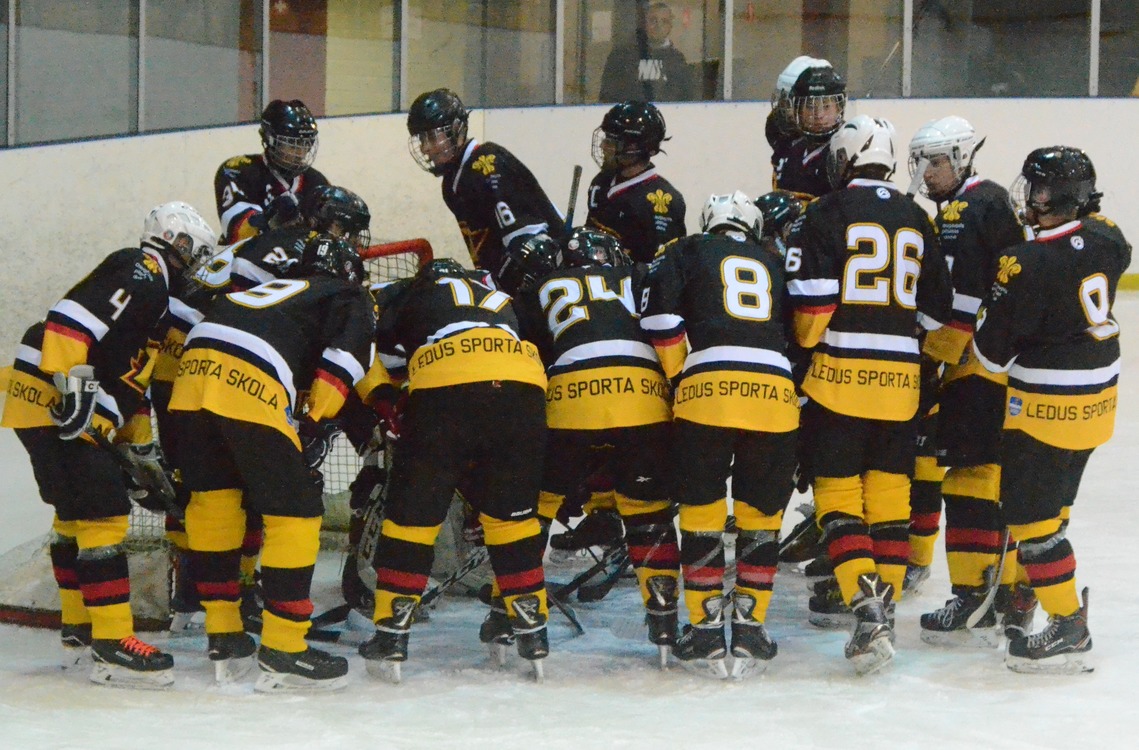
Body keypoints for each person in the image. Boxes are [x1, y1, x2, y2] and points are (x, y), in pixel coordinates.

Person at [0, 201, 220, 688]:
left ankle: (78, 632)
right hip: (55, 397)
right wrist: (72, 384)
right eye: (198, 254)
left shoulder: (154, 308)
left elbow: (128, 391)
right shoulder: (143, 271)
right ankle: (113, 642)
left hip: (42, 401)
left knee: (74, 515)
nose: (197, 268)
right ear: (179, 243)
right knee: (104, 513)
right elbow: (69, 318)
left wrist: (140, 457)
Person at [168, 234, 377, 691]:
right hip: (250, 371)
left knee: (214, 502)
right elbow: (344, 361)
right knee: (296, 510)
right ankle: (285, 647)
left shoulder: (272, 290)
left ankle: (224, 634)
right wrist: (311, 424)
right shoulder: (349, 294)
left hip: (192, 368)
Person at [784, 116, 952, 674]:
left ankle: (864, 605)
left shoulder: (825, 211)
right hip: (902, 385)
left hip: (839, 381)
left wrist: (803, 351)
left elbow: (812, 308)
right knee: (889, 500)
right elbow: (938, 311)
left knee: (838, 499)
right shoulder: (917, 215)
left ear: (845, 158)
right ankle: (887, 609)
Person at [972, 146, 1129, 674]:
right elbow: (1103, 248)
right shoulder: (1110, 238)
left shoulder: (1026, 261)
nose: (1030, 196)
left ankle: (1067, 625)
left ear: (1059, 197)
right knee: (1055, 504)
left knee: (1029, 516)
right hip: (1100, 399)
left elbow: (990, 355)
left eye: (1038, 189)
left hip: (1046, 403)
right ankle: (1026, 594)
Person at [357, 259, 550, 683]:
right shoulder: (498, 296)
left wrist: (384, 399)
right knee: (513, 521)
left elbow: (361, 346)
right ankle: (531, 631)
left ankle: (391, 634)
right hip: (524, 386)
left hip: (445, 383)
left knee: (412, 520)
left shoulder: (405, 292)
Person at [641, 192, 800, 679]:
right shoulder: (774, 260)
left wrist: (679, 375)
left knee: (702, 510)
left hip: (708, 386)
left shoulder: (686, 249)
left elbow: (660, 320)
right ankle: (750, 628)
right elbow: (802, 330)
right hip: (775, 391)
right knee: (762, 514)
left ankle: (706, 628)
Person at [511, 229, 679, 665]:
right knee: (648, 511)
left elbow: (528, 355)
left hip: (570, 399)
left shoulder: (542, 286)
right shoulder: (639, 274)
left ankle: (513, 616)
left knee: (537, 507)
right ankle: (664, 621)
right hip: (642, 396)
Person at [903, 117, 1031, 643]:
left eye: (936, 161)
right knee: (988, 477)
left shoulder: (968, 207)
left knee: (971, 477)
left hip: (977, 365)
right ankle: (1006, 591)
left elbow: (965, 297)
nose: (928, 173)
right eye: (923, 163)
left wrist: (933, 358)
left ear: (961, 157)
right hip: (991, 362)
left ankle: (978, 592)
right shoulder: (982, 202)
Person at [406, 88, 565, 284]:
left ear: (456, 129)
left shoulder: (487, 164)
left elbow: (530, 245)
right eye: (422, 139)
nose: (425, 148)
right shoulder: (452, 181)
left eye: (432, 137)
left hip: (547, 279)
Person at [214, 99, 330, 244]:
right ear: (270, 139)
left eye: (305, 144)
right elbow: (237, 232)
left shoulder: (316, 182)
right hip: (244, 257)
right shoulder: (239, 171)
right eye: (292, 145)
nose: (301, 153)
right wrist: (273, 219)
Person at [585, 100, 686, 263]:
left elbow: (660, 266)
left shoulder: (661, 202)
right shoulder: (602, 181)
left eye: (611, 141)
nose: (603, 145)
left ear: (635, 148)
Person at [772, 62, 847, 201]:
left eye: (826, 106)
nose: (819, 115)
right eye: (810, 107)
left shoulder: (848, 150)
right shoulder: (792, 152)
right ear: (798, 110)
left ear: (839, 108)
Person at [599, 2, 695, 103]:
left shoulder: (677, 60)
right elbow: (607, 96)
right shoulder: (621, 56)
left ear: (670, 26)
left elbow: (687, 98)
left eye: (664, 21)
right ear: (644, 24)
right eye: (653, 20)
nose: (658, 26)